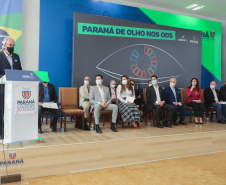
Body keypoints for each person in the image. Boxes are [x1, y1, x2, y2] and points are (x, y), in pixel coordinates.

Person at [0, 37, 22, 139]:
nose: (12, 47)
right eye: (10, 45)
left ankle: (14, 131)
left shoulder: (16, 56)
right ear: (4, 46)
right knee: (1, 112)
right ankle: (1, 133)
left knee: (13, 112)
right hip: (2, 89)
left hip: (14, 90)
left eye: (13, 46)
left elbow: (20, 71)